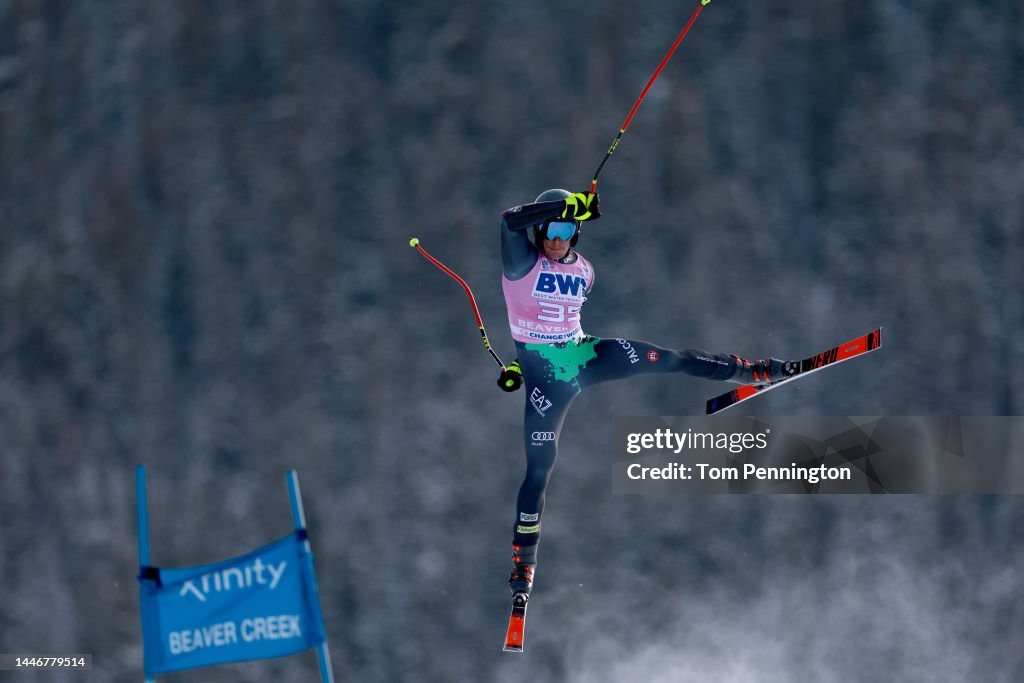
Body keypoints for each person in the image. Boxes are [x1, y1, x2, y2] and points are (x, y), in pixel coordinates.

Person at [498, 188, 798, 600]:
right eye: (548, 229)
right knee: (539, 469)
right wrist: (565, 206)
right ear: (538, 230)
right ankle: (523, 563)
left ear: (576, 233)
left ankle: (751, 371)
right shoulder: (521, 261)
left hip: (585, 355)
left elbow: (558, 322)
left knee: (670, 358)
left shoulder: (585, 271)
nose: (555, 239)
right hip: (547, 380)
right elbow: (510, 219)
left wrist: (520, 362)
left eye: (565, 230)